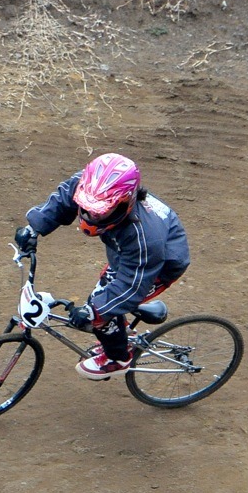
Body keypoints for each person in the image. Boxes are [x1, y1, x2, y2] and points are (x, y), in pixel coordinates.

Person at [14, 153, 190, 380]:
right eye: (86, 206)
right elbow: (63, 199)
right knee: (102, 300)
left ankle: (118, 358)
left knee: (100, 311)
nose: (90, 214)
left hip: (159, 265)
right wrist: (33, 229)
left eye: (99, 210)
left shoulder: (146, 239)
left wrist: (96, 311)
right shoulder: (91, 187)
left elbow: (131, 285)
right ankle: (120, 330)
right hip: (125, 255)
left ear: (124, 203)